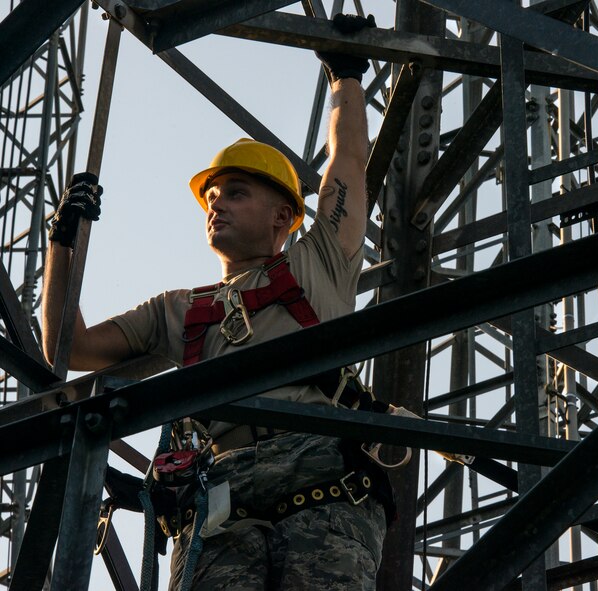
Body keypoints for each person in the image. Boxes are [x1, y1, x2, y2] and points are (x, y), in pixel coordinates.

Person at [41, 14, 388, 591]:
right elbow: (70, 347)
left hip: (322, 485)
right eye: (212, 195)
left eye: (236, 192)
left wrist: (345, 75)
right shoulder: (179, 311)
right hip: (218, 502)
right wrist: (63, 243)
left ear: (283, 216)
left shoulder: (317, 262)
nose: (216, 204)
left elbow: (347, 166)